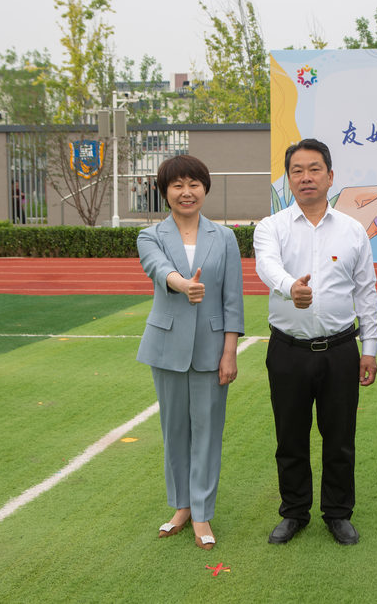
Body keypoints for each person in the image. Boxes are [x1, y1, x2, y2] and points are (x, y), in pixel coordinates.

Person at [254, 138, 377, 546]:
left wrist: (370, 349)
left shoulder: (353, 231)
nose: (306, 177)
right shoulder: (271, 227)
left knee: (340, 439)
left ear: (330, 176)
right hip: (288, 350)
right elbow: (267, 265)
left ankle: (338, 513)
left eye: (314, 169)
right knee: (290, 438)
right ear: (289, 178)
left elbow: (366, 291)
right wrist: (291, 287)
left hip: (341, 350)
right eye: (297, 171)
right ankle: (294, 512)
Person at [136, 154, 244, 551]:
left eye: (194, 184)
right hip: (166, 347)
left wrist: (229, 352)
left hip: (212, 350)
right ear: (164, 192)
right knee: (175, 431)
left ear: (205, 188)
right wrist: (183, 284)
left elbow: (232, 299)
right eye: (177, 185)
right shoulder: (150, 236)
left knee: (208, 433)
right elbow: (157, 268)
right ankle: (181, 506)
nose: (186, 192)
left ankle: (201, 512)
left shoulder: (225, 237)